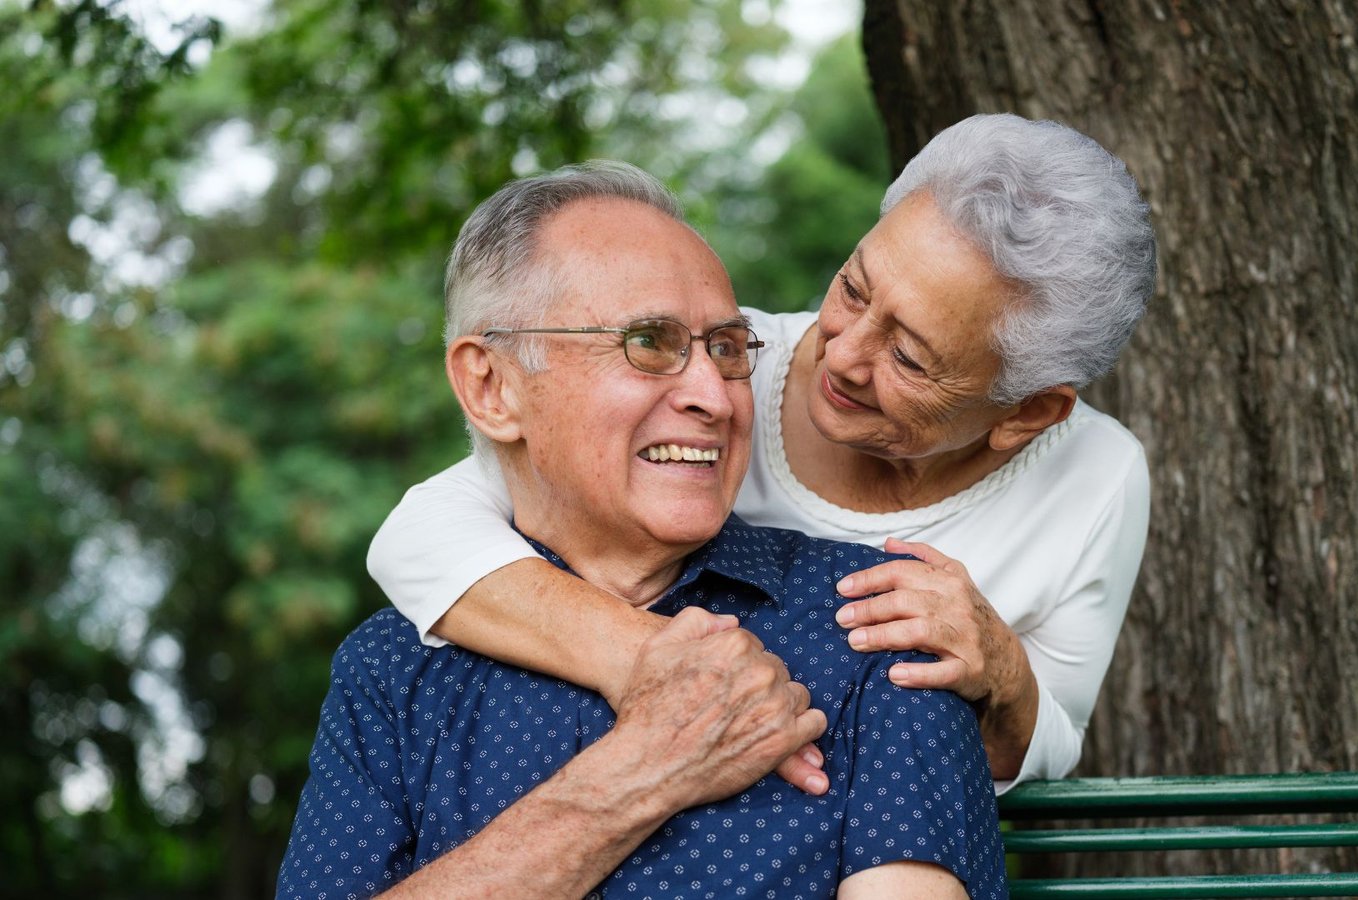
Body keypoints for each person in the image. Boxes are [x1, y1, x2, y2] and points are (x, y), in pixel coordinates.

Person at [278, 164, 1005, 899]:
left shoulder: (877, 622)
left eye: (726, 349)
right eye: (648, 342)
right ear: (492, 388)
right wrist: (637, 776)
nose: (713, 398)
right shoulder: (391, 671)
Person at [369, 113, 1157, 792]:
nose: (841, 353)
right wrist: (654, 660)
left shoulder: (1097, 475)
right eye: (853, 288)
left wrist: (1002, 669)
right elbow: (420, 537)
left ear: (1026, 414)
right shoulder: (712, 367)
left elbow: (1048, 738)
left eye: (910, 360)